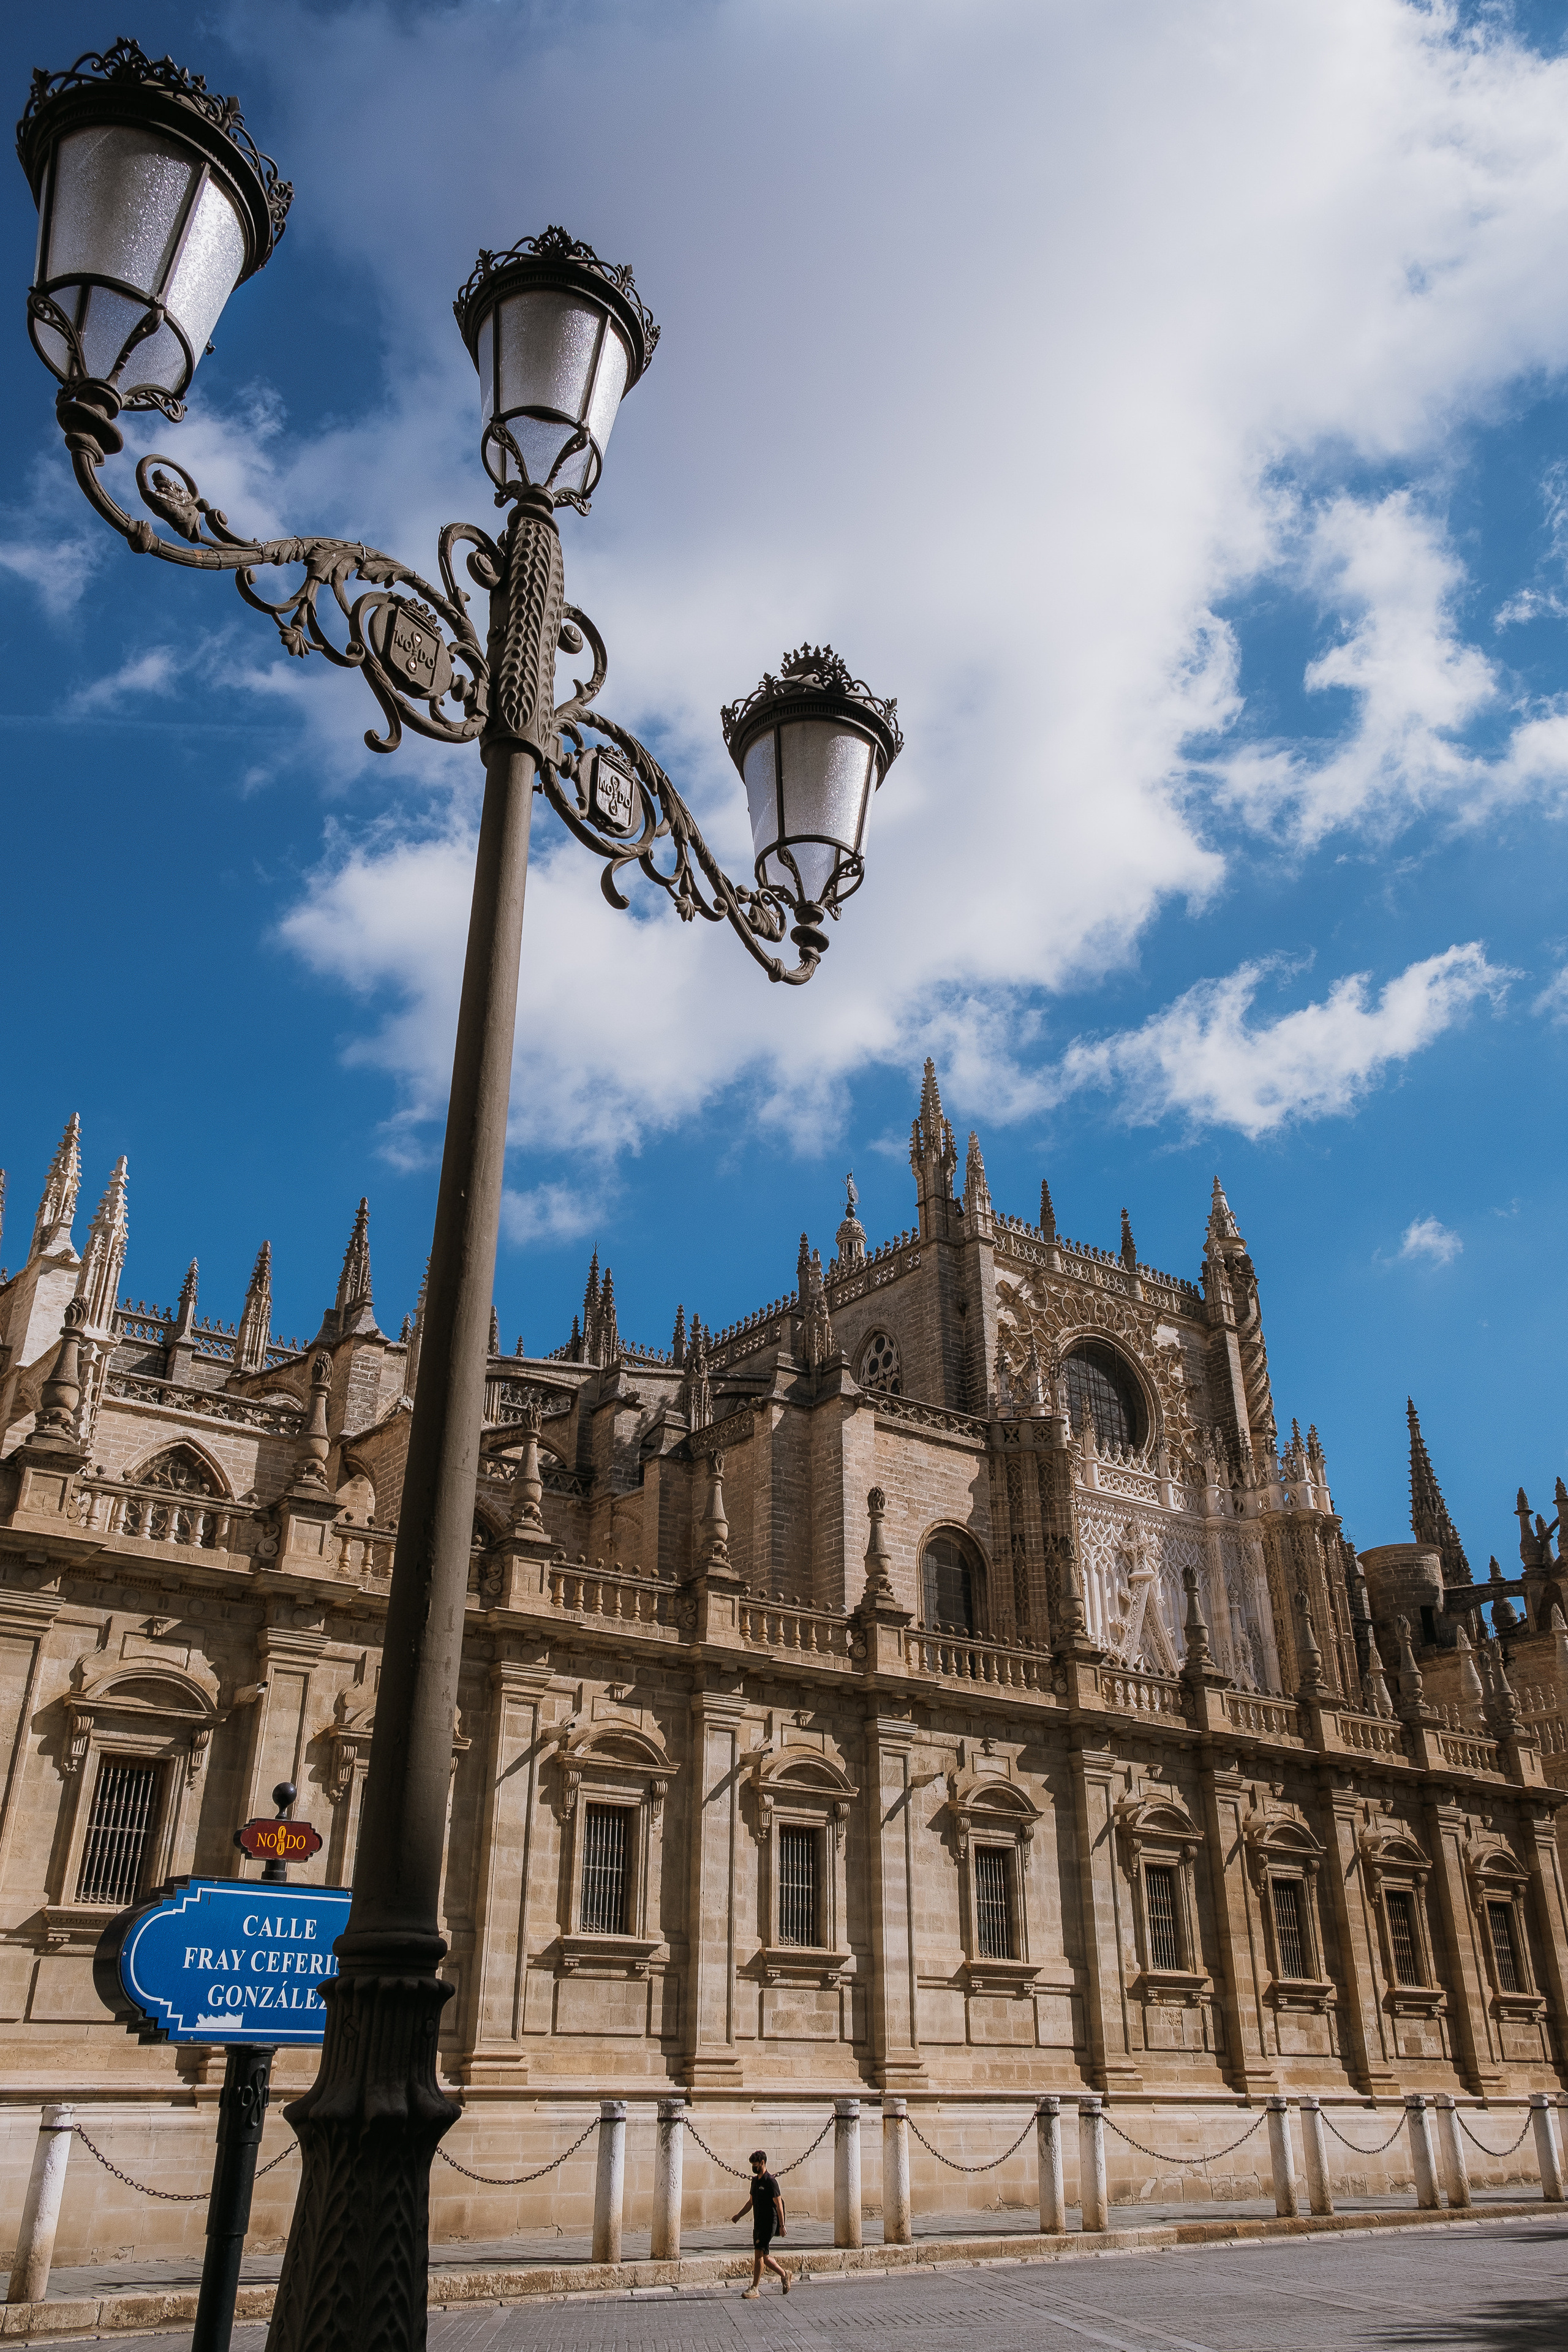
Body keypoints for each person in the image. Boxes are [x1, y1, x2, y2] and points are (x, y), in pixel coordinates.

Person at [732, 2149, 788, 2295]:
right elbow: (751, 2202)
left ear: (762, 2163)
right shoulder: (755, 2182)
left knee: (758, 2254)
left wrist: (782, 2226)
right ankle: (785, 2275)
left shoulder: (771, 2182)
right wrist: (739, 2215)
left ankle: (755, 2288)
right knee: (764, 2256)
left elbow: (779, 2205)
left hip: (769, 2223)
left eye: (755, 2164)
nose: (753, 2167)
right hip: (758, 2223)